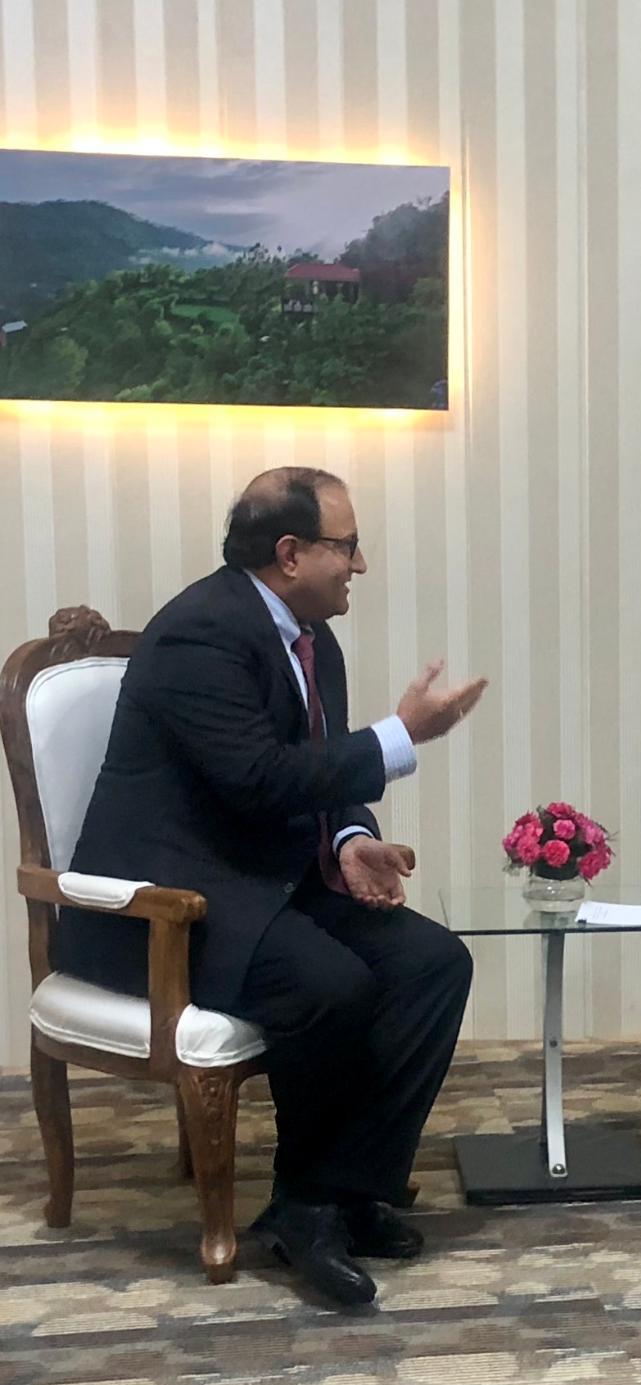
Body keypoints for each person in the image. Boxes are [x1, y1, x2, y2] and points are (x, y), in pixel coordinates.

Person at [56, 466, 487, 1307]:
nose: (360, 565)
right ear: (291, 553)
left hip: (263, 881)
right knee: (330, 985)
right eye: (348, 545)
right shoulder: (200, 634)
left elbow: (312, 770)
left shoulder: (312, 636)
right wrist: (402, 735)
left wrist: (354, 837)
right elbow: (256, 777)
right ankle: (313, 1208)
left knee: (433, 963)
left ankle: (340, 1193)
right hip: (167, 905)